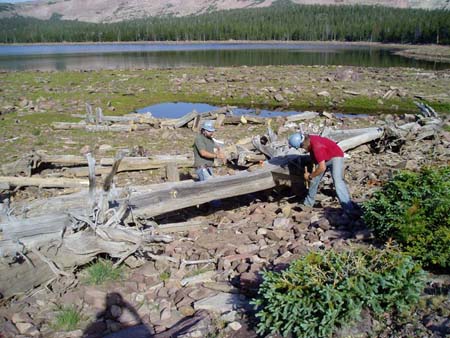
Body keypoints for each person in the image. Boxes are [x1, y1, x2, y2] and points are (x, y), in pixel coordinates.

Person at [288, 132, 356, 215]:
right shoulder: (309, 140)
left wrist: (309, 176)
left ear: (303, 143)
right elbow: (314, 155)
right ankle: (307, 204)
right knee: (314, 180)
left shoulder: (317, 147)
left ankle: (349, 208)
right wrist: (312, 175)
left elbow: (322, 167)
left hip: (335, 156)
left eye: (301, 147)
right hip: (324, 157)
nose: (303, 149)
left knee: (337, 181)